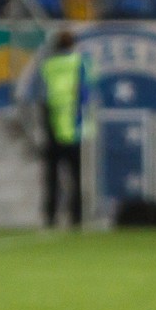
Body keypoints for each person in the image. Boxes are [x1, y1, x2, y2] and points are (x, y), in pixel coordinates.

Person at [40, 30, 89, 228]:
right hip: (71, 124)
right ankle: (76, 217)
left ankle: (50, 217)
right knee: (74, 176)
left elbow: (40, 93)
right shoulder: (78, 63)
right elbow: (84, 93)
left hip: (52, 123)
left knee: (52, 176)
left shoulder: (48, 65)